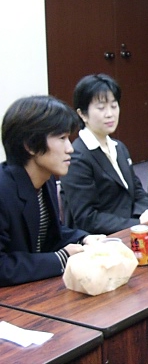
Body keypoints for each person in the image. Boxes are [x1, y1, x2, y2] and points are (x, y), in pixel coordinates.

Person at [0, 96, 105, 286]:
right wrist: (60, 258)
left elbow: (49, 234)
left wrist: (83, 239)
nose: (70, 148)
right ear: (30, 145)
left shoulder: (45, 179)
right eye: (62, 138)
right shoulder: (3, 189)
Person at [60, 74, 148, 235]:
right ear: (82, 114)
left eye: (114, 106)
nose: (110, 114)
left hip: (132, 228)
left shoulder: (118, 147)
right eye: (101, 108)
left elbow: (137, 191)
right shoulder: (76, 157)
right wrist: (137, 224)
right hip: (101, 238)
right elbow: (87, 218)